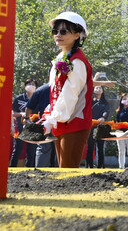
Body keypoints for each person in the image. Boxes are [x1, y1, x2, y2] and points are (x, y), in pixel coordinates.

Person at [42, 12, 93, 168]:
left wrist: (53, 117)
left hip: (74, 122)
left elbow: (70, 94)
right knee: (63, 170)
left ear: (77, 35)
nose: (58, 35)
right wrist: (50, 115)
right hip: (62, 121)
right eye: (55, 31)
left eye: (64, 31)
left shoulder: (77, 61)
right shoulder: (61, 57)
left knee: (67, 171)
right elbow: (55, 91)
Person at [25, 83, 57, 167]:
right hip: (60, 123)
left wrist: (27, 118)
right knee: (60, 150)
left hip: (44, 122)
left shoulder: (41, 89)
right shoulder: (65, 87)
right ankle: (62, 173)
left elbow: (29, 106)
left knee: (43, 149)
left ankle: (40, 171)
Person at [10, 78, 38, 167]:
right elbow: (12, 113)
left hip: (33, 128)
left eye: (33, 84)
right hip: (20, 127)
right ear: (25, 86)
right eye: (29, 84)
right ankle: (12, 168)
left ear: (36, 87)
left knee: (32, 151)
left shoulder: (37, 98)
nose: (31, 86)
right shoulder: (19, 98)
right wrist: (21, 114)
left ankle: (29, 169)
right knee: (18, 149)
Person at [86, 85, 110, 168]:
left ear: (103, 91)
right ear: (93, 90)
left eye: (100, 88)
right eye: (96, 87)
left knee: (100, 148)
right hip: (91, 127)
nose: (98, 89)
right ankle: (89, 165)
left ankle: (100, 166)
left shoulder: (105, 103)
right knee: (90, 147)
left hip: (101, 127)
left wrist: (103, 117)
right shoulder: (90, 101)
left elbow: (106, 111)